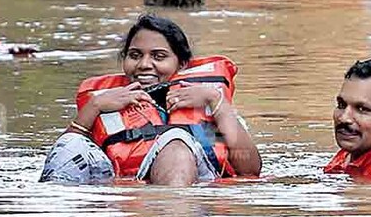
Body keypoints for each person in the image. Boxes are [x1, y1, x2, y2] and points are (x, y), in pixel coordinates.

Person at [40, 14, 261, 186]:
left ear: (182, 64)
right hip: (123, 188)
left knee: (176, 140)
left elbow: (250, 169)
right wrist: (95, 106)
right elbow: (65, 154)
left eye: (159, 56)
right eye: (135, 55)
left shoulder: (208, 105)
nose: (144, 64)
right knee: (71, 143)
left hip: (190, 187)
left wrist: (215, 100)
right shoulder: (106, 103)